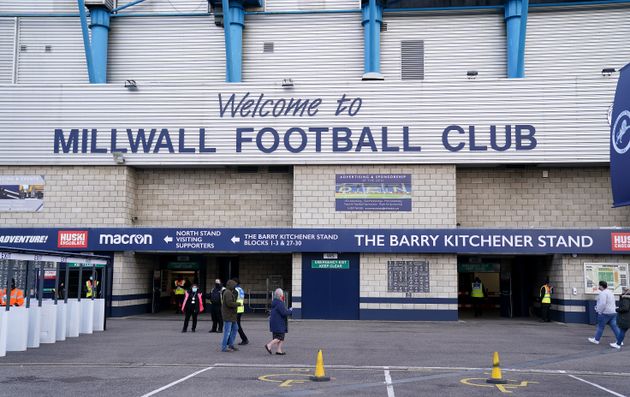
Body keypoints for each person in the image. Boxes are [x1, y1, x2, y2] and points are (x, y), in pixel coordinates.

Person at [589, 281, 621, 345]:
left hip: (605, 313)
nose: (598, 287)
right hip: (613, 312)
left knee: (600, 327)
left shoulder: (603, 293)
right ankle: (620, 340)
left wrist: (599, 311)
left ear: (601, 286)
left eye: (599, 285)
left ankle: (596, 340)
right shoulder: (610, 292)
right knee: (615, 327)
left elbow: (602, 304)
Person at [265, 288, 292, 355]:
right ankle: (269, 345)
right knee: (279, 337)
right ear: (280, 295)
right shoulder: (280, 303)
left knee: (280, 337)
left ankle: (279, 350)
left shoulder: (275, 302)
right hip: (279, 323)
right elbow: (284, 313)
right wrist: (290, 310)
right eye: (282, 295)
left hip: (275, 322)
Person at [221, 279, 241, 352]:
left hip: (231, 315)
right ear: (231, 285)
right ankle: (224, 347)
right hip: (228, 315)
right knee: (227, 331)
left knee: (235, 328)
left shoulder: (229, 292)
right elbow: (229, 303)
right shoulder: (228, 292)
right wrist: (238, 304)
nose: (235, 287)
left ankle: (230, 344)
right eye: (234, 285)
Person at [234, 278, 249, 345]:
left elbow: (233, 299)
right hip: (240, 309)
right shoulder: (241, 289)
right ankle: (244, 339)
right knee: (236, 325)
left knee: (237, 325)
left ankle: (244, 339)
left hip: (236, 309)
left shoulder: (235, 290)